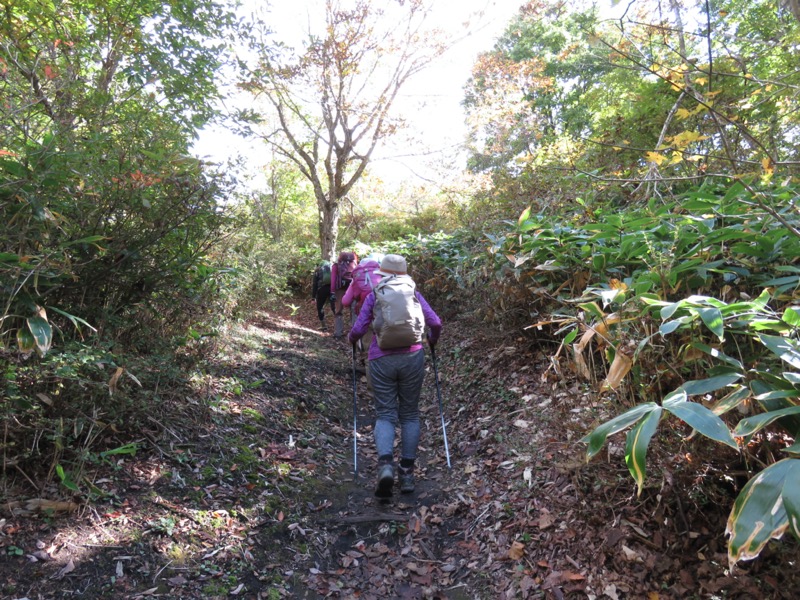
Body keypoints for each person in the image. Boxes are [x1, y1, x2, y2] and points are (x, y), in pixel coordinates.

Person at [348, 254, 442, 498]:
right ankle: (407, 472)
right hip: (413, 358)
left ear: (382, 272)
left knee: (386, 414)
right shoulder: (414, 294)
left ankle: (386, 465)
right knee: (409, 413)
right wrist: (430, 341)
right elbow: (436, 323)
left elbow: (358, 329)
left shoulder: (375, 294)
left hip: (381, 360)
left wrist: (352, 341)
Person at [342, 253, 384, 362]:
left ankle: (369, 363)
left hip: (365, 310)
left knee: (368, 339)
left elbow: (345, 301)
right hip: (385, 309)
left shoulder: (357, 276)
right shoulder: (383, 274)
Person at [330, 251, 358, 338]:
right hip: (352, 288)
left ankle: (338, 333)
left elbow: (333, 279)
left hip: (339, 290)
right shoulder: (355, 265)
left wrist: (332, 292)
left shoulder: (336, 266)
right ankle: (354, 332)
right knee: (353, 311)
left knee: (338, 311)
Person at [311, 261, 335, 331]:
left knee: (320, 307)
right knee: (334, 307)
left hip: (321, 289)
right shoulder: (332, 268)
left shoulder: (318, 270)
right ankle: (338, 327)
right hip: (332, 289)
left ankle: (324, 326)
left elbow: (315, 284)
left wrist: (313, 297)